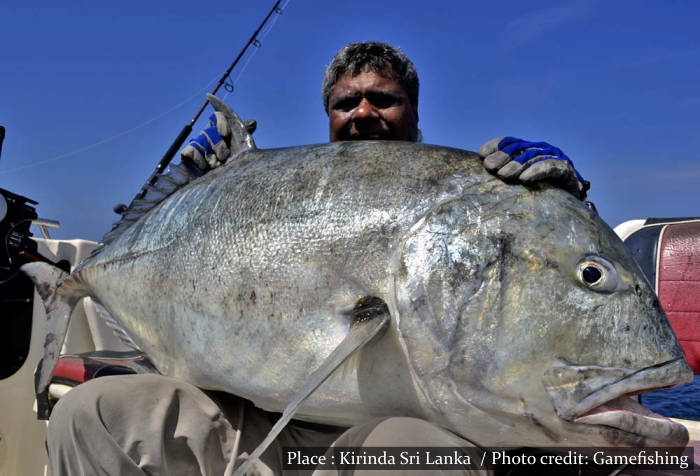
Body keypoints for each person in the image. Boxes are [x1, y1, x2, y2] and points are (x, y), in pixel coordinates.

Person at [46, 42, 587, 476]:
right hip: (248, 420)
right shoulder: (273, 201)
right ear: (328, 115)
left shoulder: (471, 199)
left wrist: (562, 201)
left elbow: (541, 284)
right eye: (346, 102)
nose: (364, 113)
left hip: (371, 440)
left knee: (419, 458)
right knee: (86, 414)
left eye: (384, 98)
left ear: (416, 113)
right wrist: (194, 188)